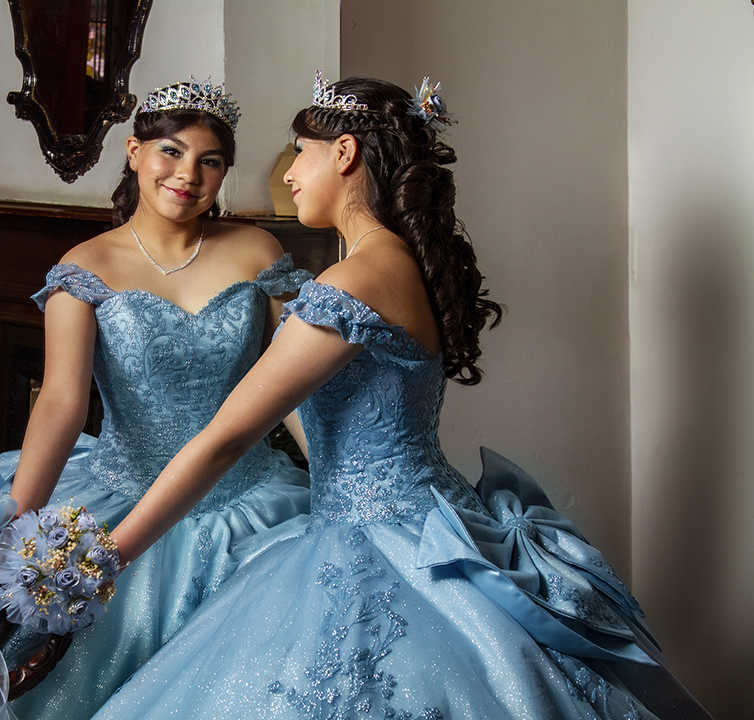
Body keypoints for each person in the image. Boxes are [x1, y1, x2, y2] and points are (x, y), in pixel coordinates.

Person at [90, 74, 712, 719]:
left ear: (345, 153)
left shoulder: (353, 280)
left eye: (300, 152)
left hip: (383, 542)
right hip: (431, 518)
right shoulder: (398, 263)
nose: (289, 173)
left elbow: (227, 438)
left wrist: (105, 560)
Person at [0, 77, 312, 720]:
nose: (188, 174)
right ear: (134, 152)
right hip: (125, 494)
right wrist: (17, 523)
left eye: (210, 161)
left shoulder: (256, 250)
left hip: (250, 501)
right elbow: (61, 402)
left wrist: (335, 469)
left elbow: (296, 385)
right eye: (171, 152)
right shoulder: (85, 267)